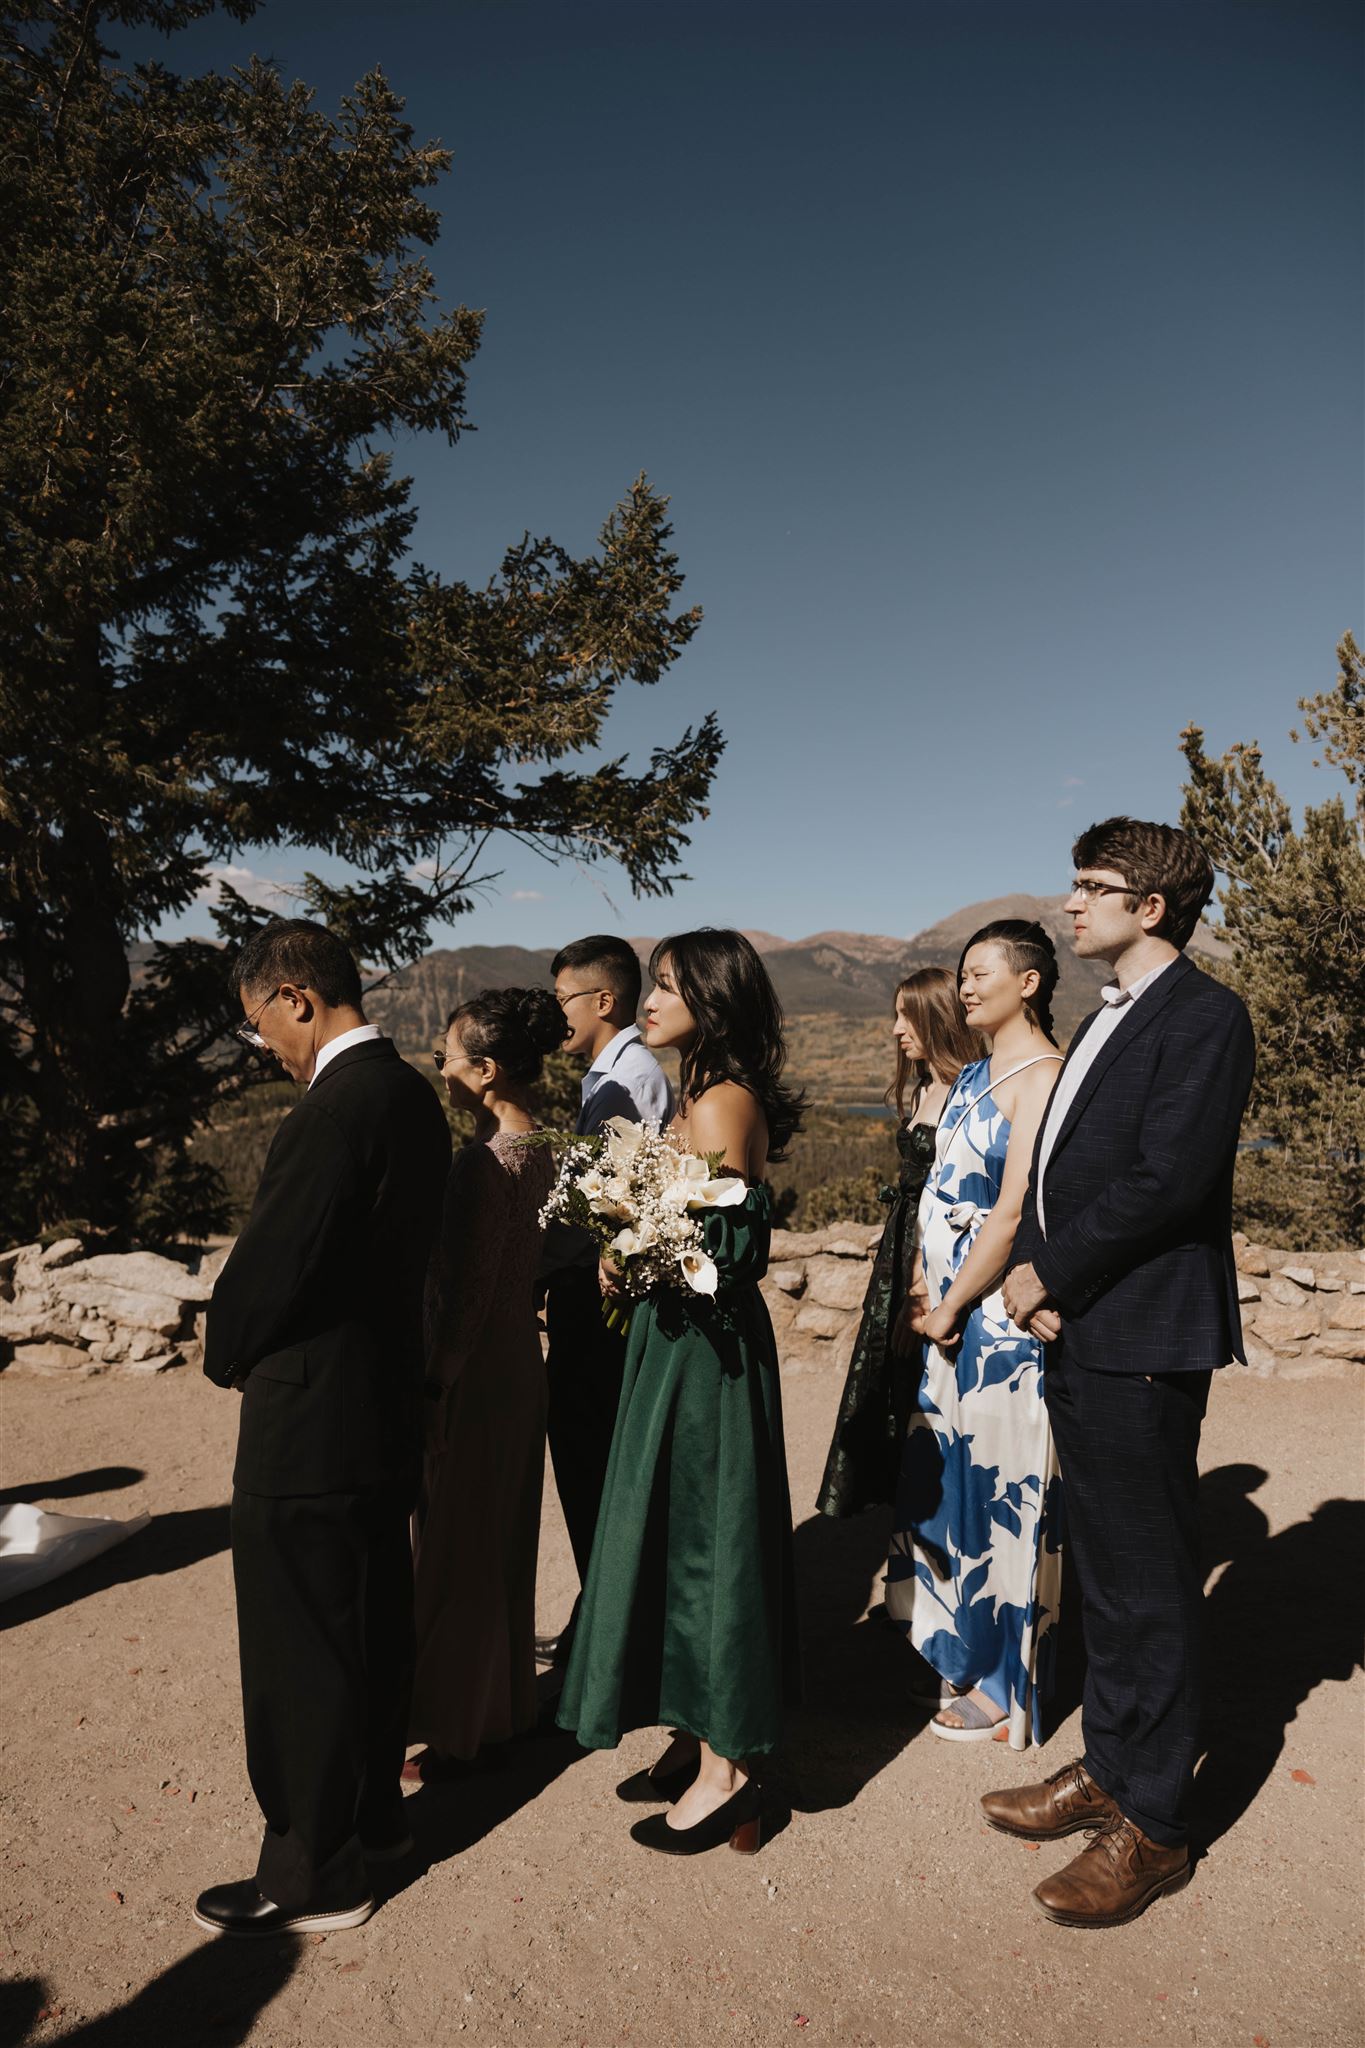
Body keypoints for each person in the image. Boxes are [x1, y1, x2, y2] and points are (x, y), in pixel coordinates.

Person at [992, 818, 1254, 1930]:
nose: (1071, 904)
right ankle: (1110, 1761)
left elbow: (1168, 1180)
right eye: (1076, 882)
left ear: (1154, 907)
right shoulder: (1115, 1011)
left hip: (1141, 1333)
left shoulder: (1206, 1015)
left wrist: (1045, 1267)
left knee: (1149, 1581)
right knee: (1105, 1571)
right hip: (1088, 1325)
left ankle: (1154, 1823)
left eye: (1094, 887)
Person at [196, 920, 451, 1938]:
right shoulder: (411, 1096)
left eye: (264, 1025)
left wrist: (227, 1351)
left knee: (299, 1644)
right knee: (371, 1623)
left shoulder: (333, 1111)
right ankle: (377, 1823)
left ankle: (313, 1869)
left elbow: (270, 1269)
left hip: (308, 1420)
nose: (267, 1047)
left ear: (297, 996)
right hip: (384, 1403)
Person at [555, 929, 803, 1855]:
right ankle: (694, 1729)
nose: (648, 999)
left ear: (714, 998)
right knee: (670, 1530)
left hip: (705, 1356)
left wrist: (630, 1258)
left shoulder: (718, 1105)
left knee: (705, 1539)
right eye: (651, 984)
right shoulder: (700, 1096)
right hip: (677, 1345)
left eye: (667, 986)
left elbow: (729, 1256)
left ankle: (727, 1771)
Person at [884, 921, 1064, 1748]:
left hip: (994, 1324)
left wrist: (954, 1304)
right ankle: (956, 1644)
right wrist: (925, 1285)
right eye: (960, 973)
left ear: (1027, 983)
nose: (963, 985)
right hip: (946, 1311)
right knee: (950, 1487)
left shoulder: (1042, 1076)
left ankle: (1003, 1683)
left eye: (980, 972)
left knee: (1001, 1498)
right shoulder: (972, 1075)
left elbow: (1010, 1209)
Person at [406, 988, 565, 1779]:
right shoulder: (546, 1144)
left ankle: (453, 1725)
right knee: (501, 1542)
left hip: (470, 1370)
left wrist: (435, 1384)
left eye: (447, 1057)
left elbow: (465, 1294)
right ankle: (501, 1709)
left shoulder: (482, 1163)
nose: (439, 1069)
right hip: (518, 1366)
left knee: (455, 1549)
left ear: (487, 1069)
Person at [540, 936, 673, 1666]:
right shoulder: (608, 1077)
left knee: (594, 1464)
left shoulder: (629, 1081)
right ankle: (600, 1617)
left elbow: (602, 1212)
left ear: (602, 1001)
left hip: (600, 1306)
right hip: (585, 1296)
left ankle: (609, 1632)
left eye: (563, 999)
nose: (557, 1015)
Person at [817, 968, 981, 1518]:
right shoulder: (925, 1086)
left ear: (936, 1019)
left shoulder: (970, 1086)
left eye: (905, 1017)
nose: (894, 1030)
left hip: (933, 1254)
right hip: (901, 1246)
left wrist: (919, 1280)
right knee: (893, 1386)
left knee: (927, 1383)